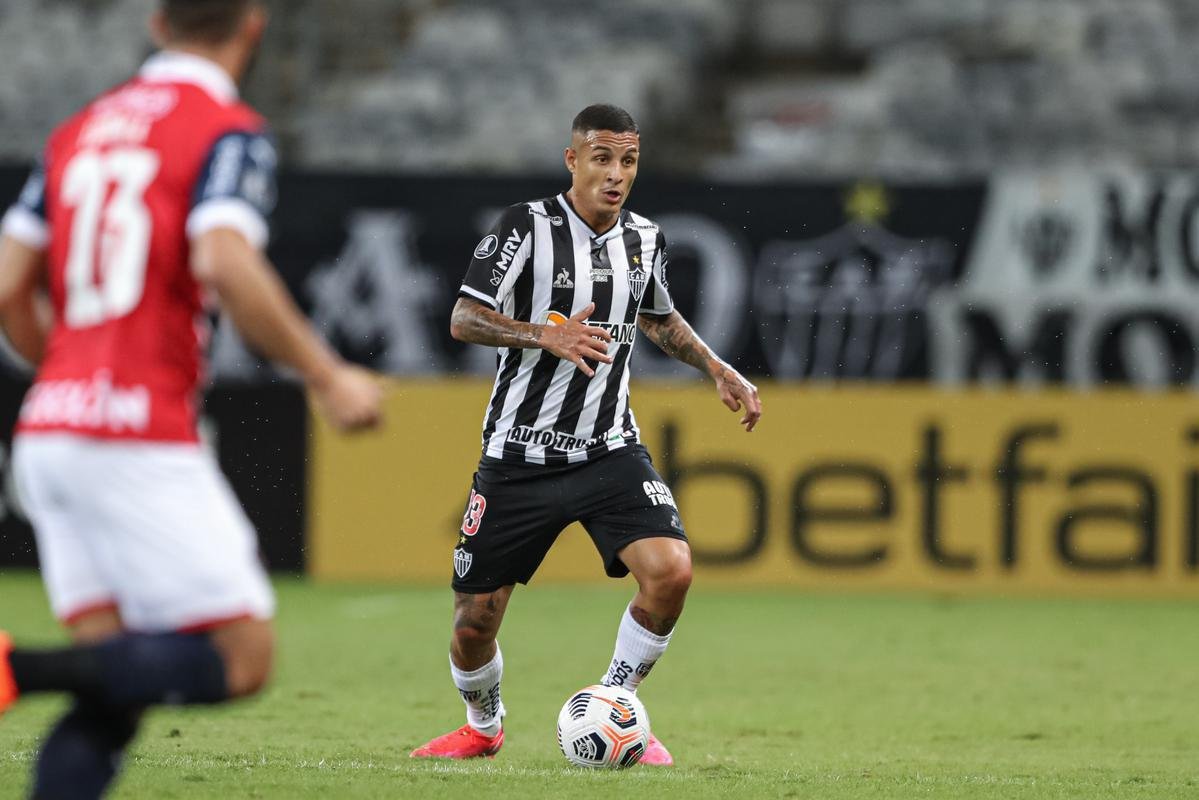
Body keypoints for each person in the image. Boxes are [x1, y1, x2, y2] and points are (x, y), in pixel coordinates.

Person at [0, 2, 382, 797]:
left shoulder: (77, 132)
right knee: (241, 658)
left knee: (114, 686)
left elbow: (8, 285)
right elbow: (224, 258)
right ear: (253, 24)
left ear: (156, 22)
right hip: (134, 435)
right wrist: (326, 373)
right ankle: (15, 666)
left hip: (51, 431)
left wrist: (64, 375)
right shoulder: (225, 128)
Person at [410, 104, 762, 765]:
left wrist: (716, 368)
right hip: (516, 459)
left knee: (671, 574)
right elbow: (463, 316)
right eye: (602, 158)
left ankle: (615, 703)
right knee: (471, 626)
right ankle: (483, 726)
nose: (615, 174)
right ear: (572, 160)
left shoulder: (645, 238)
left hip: (608, 452)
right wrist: (542, 332)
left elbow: (657, 318)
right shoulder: (525, 227)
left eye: (627, 161)